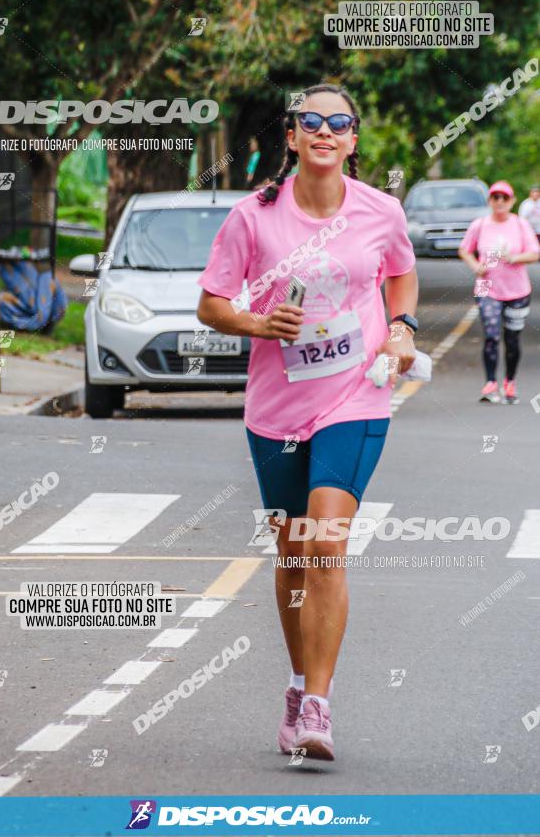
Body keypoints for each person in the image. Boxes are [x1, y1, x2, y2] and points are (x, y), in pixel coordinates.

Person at [196, 84, 418, 760]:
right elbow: (211, 304)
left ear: (352, 140)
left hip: (355, 395)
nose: (324, 130)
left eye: (338, 122)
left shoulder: (380, 211)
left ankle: (317, 706)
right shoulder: (252, 217)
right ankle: (296, 684)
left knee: (324, 542)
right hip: (276, 406)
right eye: (310, 122)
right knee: (292, 555)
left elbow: (401, 276)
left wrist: (402, 329)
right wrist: (257, 323)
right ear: (291, 137)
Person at [458, 181, 540, 404]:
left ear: (512, 201)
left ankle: (510, 382)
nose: (500, 202)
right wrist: (476, 266)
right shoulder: (480, 225)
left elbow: (535, 253)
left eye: (505, 198)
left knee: (512, 339)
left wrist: (514, 258)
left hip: (517, 290)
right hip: (487, 288)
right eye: (496, 197)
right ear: (490, 201)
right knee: (492, 335)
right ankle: (491, 383)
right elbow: (464, 249)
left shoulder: (520, 225)